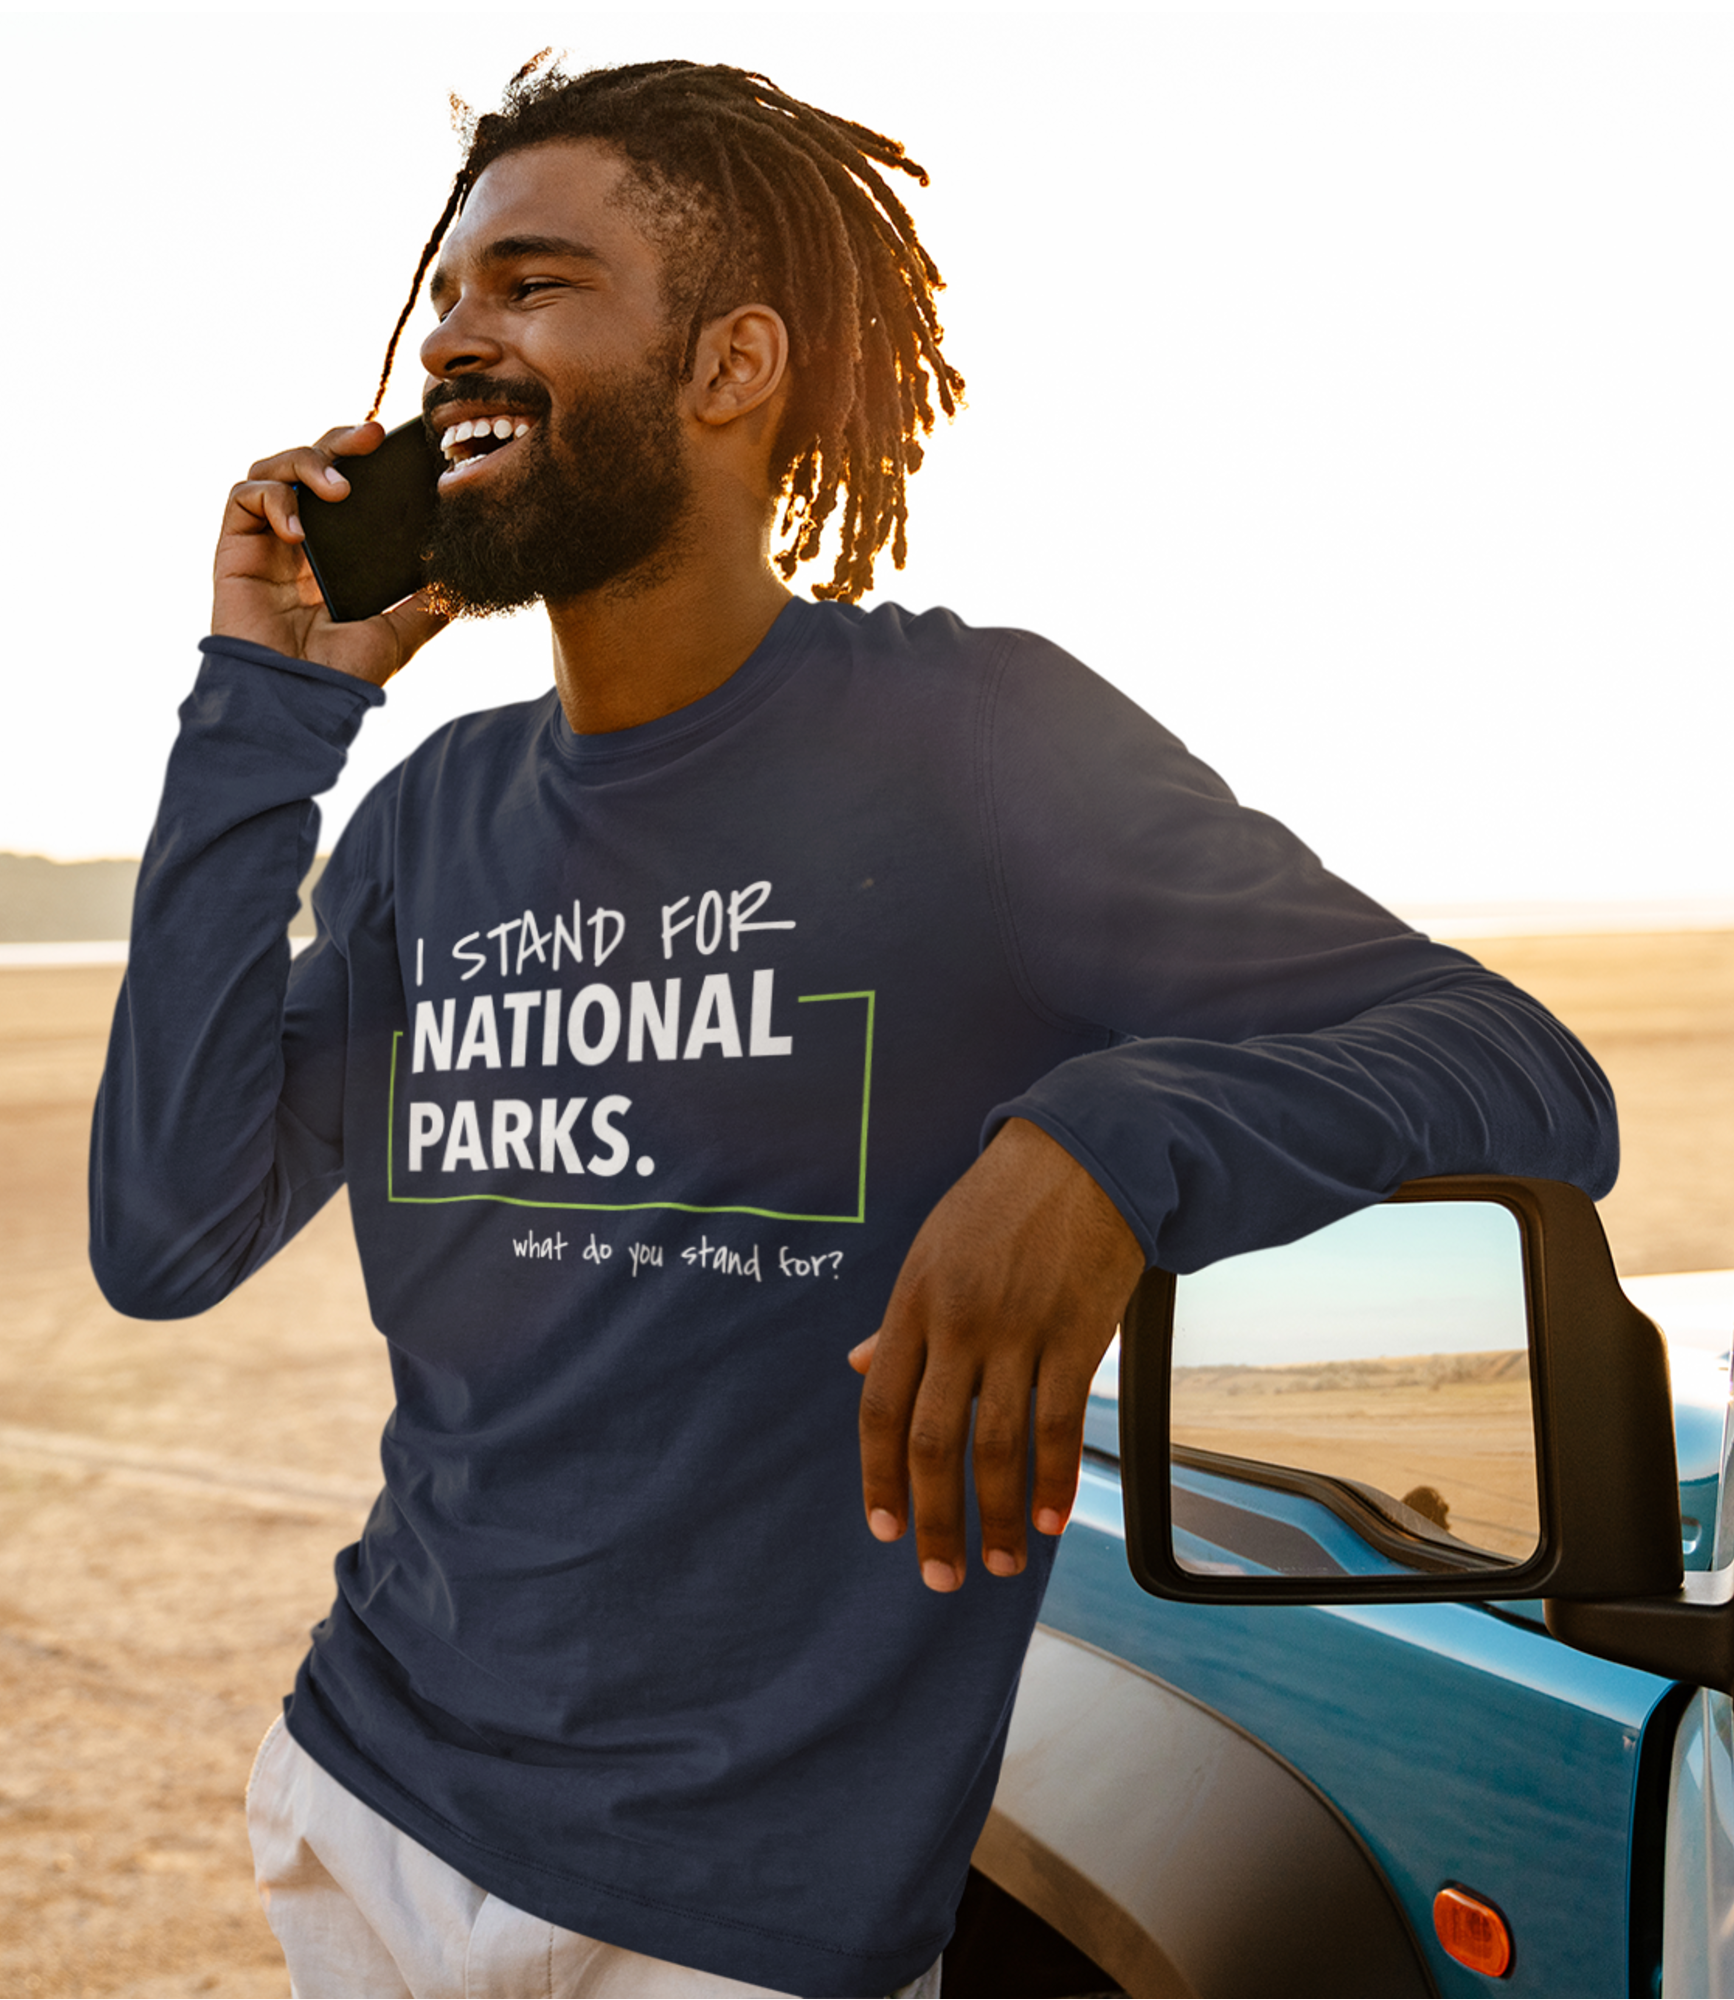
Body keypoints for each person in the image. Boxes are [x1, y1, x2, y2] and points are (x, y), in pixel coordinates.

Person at [90, 56, 1616, 2000]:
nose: (455, 338)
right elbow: (166, 1234)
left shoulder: (971, 737)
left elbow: (1516, 1067)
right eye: (446, 296)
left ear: (731, 365)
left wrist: (1106, 1145)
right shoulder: (429, 821)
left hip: (738, 1919)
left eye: (535, 284)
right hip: (368, 1802)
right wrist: (268, 701)